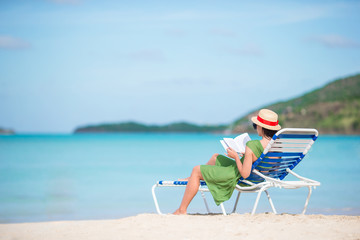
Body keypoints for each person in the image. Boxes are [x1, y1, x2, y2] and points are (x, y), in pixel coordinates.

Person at [173, 109, 282, 215]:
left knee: (196, 170)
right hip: (259, 177)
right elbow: (272, 167)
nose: (255, 127)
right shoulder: (277, 145)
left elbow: (244, 174)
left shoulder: (253, 145)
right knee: (216, 157)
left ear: (262, 127)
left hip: (238, 176)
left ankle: (182, 210)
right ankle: (191, 179)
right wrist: (248, 157)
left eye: (256, 125)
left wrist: (235, 156)